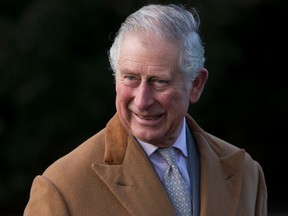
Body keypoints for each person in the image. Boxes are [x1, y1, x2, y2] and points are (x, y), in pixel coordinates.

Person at [24, 3, 267, 216]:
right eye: (130, 78)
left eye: (159, 81)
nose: (141, 101)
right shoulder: (62, 187)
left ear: (195, 84)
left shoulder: (247, 174)